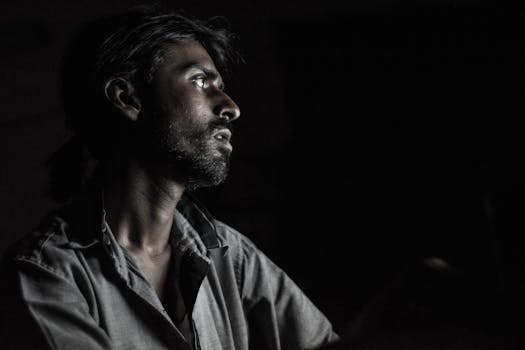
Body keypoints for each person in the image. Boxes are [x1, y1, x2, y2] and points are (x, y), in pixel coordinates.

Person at [0, 8, 339, 350]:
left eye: (219, 86)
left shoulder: (231, 256)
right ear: (127, 98)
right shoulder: (46, 275)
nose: (231, 107)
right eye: (200, 81)